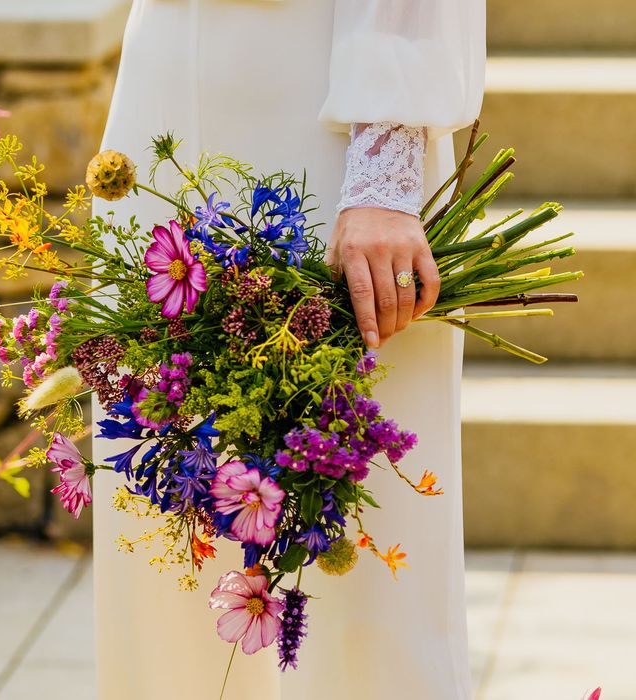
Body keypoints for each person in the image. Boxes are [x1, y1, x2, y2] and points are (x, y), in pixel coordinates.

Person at [92, 1, 485, 698]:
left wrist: (383, 168)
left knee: (362, 554)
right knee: (166, 532)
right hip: (164, 80)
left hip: (327, 91)